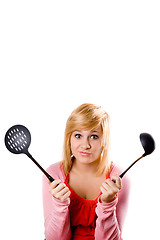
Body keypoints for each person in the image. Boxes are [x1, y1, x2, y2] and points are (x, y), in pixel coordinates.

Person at [42, 103, 130, 240]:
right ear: (69, 138)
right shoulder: (53, 174)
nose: (85, 145)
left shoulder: (118, 179)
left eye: (94, 136)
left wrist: (107, 203)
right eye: (78, 135)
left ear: (104, 141)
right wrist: (59, 204)